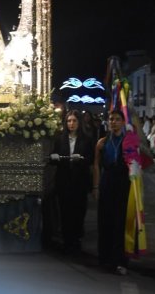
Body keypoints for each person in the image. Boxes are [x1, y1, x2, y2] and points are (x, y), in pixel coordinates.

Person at [49, 110, 94, 254]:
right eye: (69, 121)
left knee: (79, 211)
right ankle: (67, 240)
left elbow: (91, 159)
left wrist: (80, 159)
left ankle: (76, 239)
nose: (71, 124)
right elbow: (54, 157)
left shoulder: (86, 139)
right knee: (65, 211)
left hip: (80, 181)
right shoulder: (60, 139)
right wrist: (54, 157)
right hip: (64, 181)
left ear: (79, 123)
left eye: (74, 121)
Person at [92, 110, 130, 275]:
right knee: (105, 221)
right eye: (111, 119)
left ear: (123, 122)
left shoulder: (129, 141)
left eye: (117, 119)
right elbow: (96, 166)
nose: (113, 122)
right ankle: (104, 258)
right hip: (107, 183)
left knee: (120, 223)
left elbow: (137, 165)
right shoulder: (102, 142)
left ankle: (119, 260)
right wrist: (96, 187)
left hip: (123, 184)